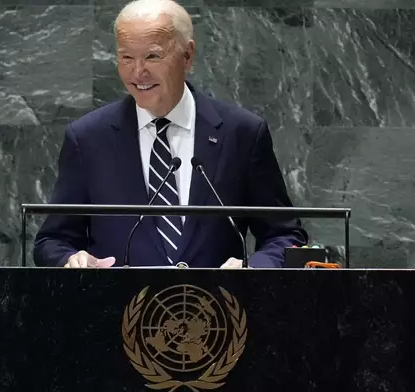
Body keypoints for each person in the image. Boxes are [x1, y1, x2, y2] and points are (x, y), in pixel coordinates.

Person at [33, 0, 308, 269]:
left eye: (152, 56)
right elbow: (53, 239)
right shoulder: (88, 138)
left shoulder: (242, 133)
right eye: (126, 57)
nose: (138, 72)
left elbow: (284, 235)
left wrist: (254, 268)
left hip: (219, 309)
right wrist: (72, 259)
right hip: (119, 310)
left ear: (187, 55)